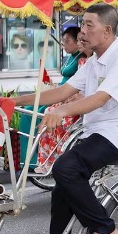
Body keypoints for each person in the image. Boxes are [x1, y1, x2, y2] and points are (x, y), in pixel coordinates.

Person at [11, 3, 118, 234]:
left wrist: (61, 112)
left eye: (88, 25)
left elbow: (100, 98)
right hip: (95, 132)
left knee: (66, 168)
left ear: (106, 30)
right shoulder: (94, 61)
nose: (82, 31)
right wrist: (17, 100)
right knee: (62, 189)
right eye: (82, 25)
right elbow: (62, 91)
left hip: (117, 135)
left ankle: (105, 227)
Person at [19, 26, 87, 170]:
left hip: (70, 97)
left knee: (44, 113)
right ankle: (27, 158)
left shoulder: (85, 60)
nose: (63, 43)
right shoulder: (75, 58)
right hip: (63, 92)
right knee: (28, 111)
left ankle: (41, 159)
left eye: (68, 40)